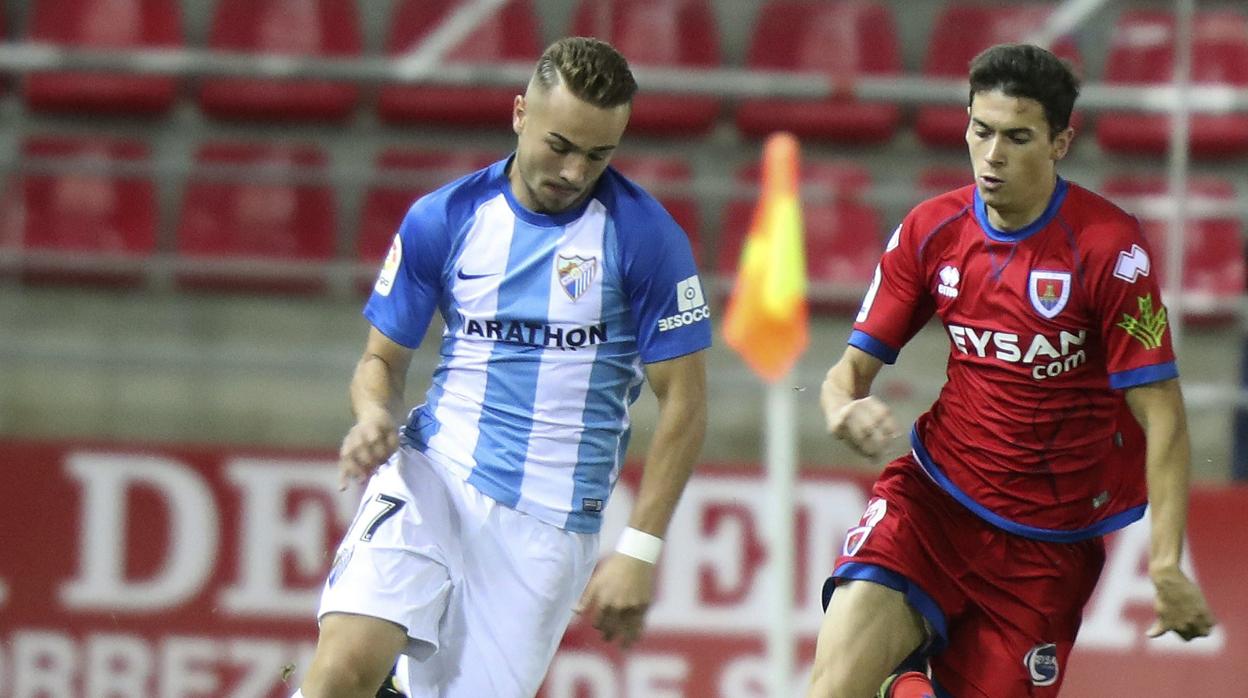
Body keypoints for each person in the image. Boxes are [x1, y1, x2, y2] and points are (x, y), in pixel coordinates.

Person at [296, 37, 711, 698]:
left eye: (598, 155)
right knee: (340, 671)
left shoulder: (645, 238)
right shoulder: (446, 218)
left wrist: (640, 548)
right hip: (435, 474)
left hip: (547, 528)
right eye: (560, 145)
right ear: (520, 113)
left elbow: (686, 403)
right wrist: (375, 414)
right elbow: (380, 360)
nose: (576, 172)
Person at [807, 43, 1217, 698]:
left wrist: (1166, 561)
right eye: (981, 130)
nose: (992, 155)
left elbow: (1162, 410)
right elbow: (845, 374)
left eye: (1017, 137)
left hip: (1046, 548)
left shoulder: (1110, 249)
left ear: (1060, 142)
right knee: (831, 690)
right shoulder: (930, 230)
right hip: (931, 501)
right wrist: (841, 407)